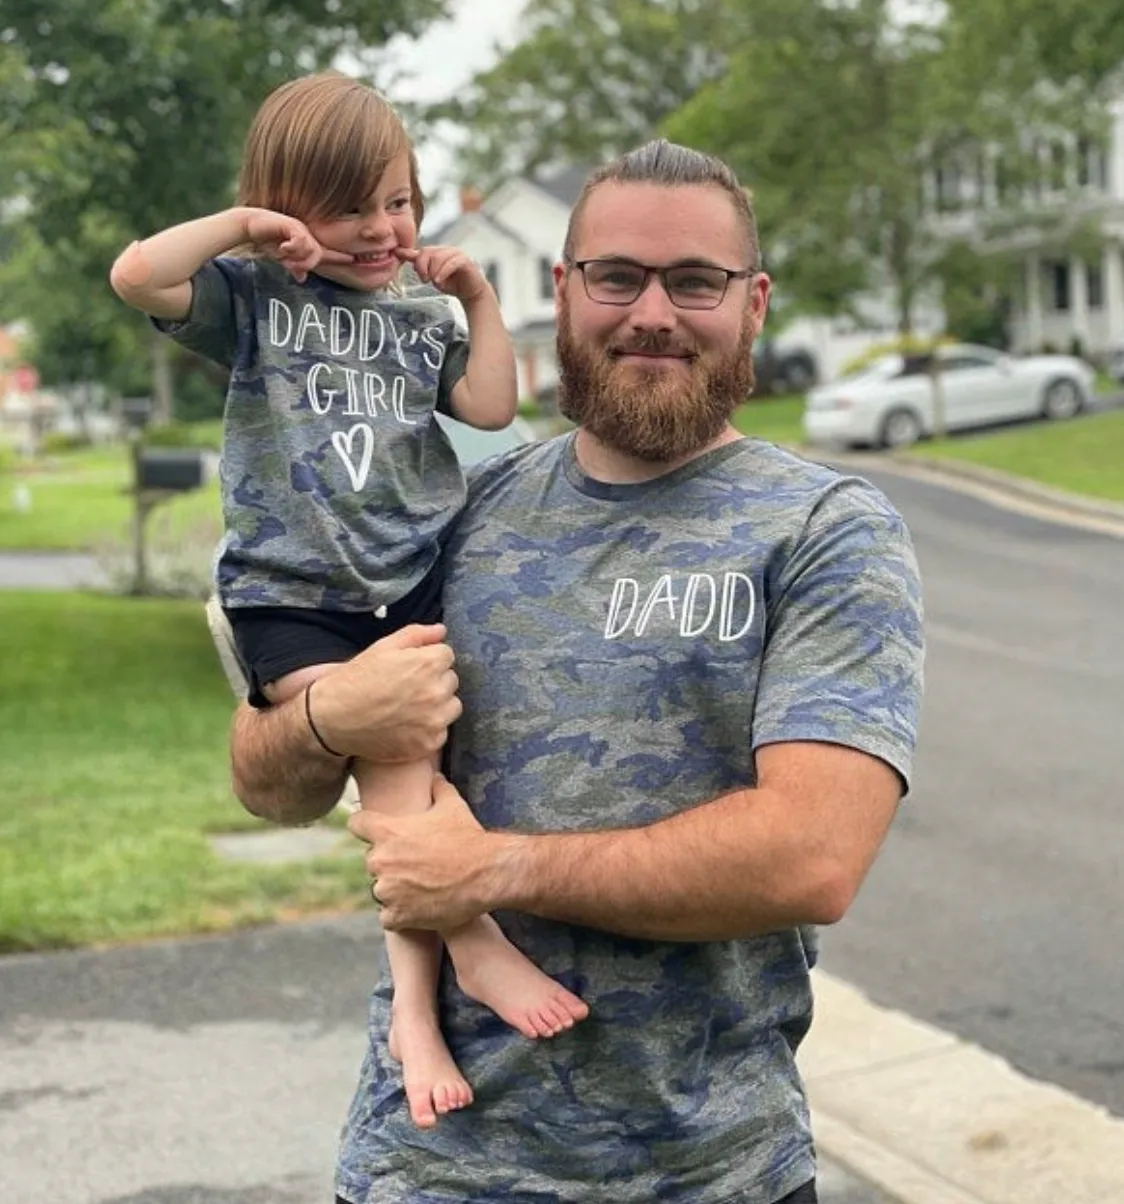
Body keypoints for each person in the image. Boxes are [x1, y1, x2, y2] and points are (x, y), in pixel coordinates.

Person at [229, 138, 925, 1204]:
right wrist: (326, 716)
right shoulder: (456, 515)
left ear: (754, 302)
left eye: (694, 280)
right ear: (562, 292)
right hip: (427, 1162)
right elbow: (264, 780)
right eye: (615, 276)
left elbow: (809, 856)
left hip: (712, 1170)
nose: (652, 312)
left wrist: (490, 870)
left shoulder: (823, 532)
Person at [108, 70, 589, 1131]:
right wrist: (242, 226)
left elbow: (493, 403)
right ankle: (466, 944)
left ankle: (415, 1011)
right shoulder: (254, 301)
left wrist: (477, 298)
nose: (380, 228)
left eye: (397, 200)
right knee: (395, 759)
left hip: (401, 576)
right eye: (349, 207)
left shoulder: (420, 314)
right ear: (286, 209)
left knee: (399, 775)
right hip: (293, 592)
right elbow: (137, 275)